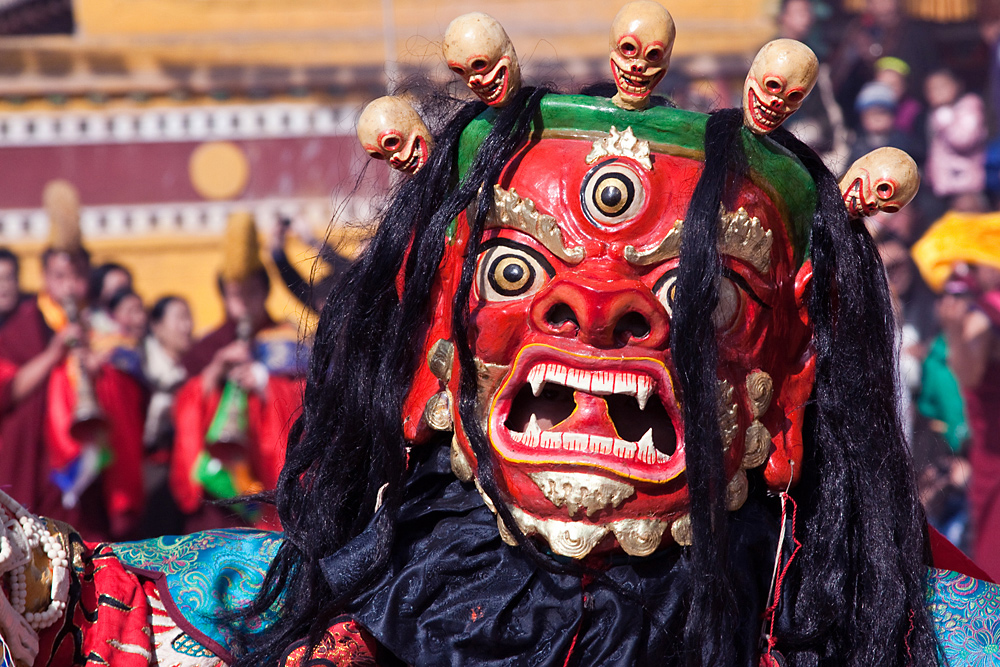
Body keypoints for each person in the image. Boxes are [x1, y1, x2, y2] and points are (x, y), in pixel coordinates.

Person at [0, 12, 995, 667]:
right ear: (436, 359)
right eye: (518, 274)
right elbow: (65, 607)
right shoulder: (285, 613)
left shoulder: (910, 635)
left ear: (786, 383)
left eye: (704, 301)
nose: (598, 307)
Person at [171, 212, 305, 530]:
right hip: (220, 485)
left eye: (251, 293)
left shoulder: (286, 341)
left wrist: (263, 382)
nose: (243, 304)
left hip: (269, 477)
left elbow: (308, 398)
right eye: (235, 295)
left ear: (265, 292)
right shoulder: (207, 348)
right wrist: (216, 371)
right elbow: (184, 409)